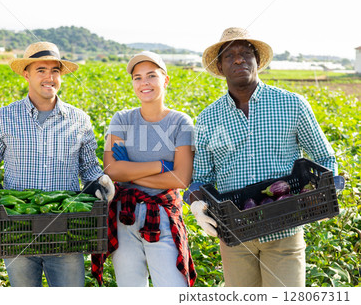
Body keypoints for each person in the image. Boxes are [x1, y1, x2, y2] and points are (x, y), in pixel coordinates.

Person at [186, 27, 340, 287]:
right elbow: (202, 177)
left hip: (286, 228)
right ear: (221, 67)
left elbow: (324, 156)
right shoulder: (207, 119)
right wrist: (197, 206)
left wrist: (325, 187)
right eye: (229, 55)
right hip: (235, 234)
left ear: (258, 61)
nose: (239, 59)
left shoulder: (292, 104)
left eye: (246, 53)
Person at [0, 41, 115, 287]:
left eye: (55, 71)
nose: (49, 77)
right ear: (26, 74)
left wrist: (101, 179)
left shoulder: (79, 119)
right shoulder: (3, 117)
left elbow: (88, 166)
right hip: (17, 228)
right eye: (41, 70)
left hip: (66, 228)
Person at [91, 51, 196, 287]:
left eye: (151, 75)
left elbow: (181, 179)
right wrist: (160, 167)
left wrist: (130, 170)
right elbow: (111, 171)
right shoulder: (121, 119)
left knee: (173, 288)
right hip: (123, 217)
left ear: (165, 79)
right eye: (137, 77)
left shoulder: (181, 122)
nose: (144, 83)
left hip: (163, 216)